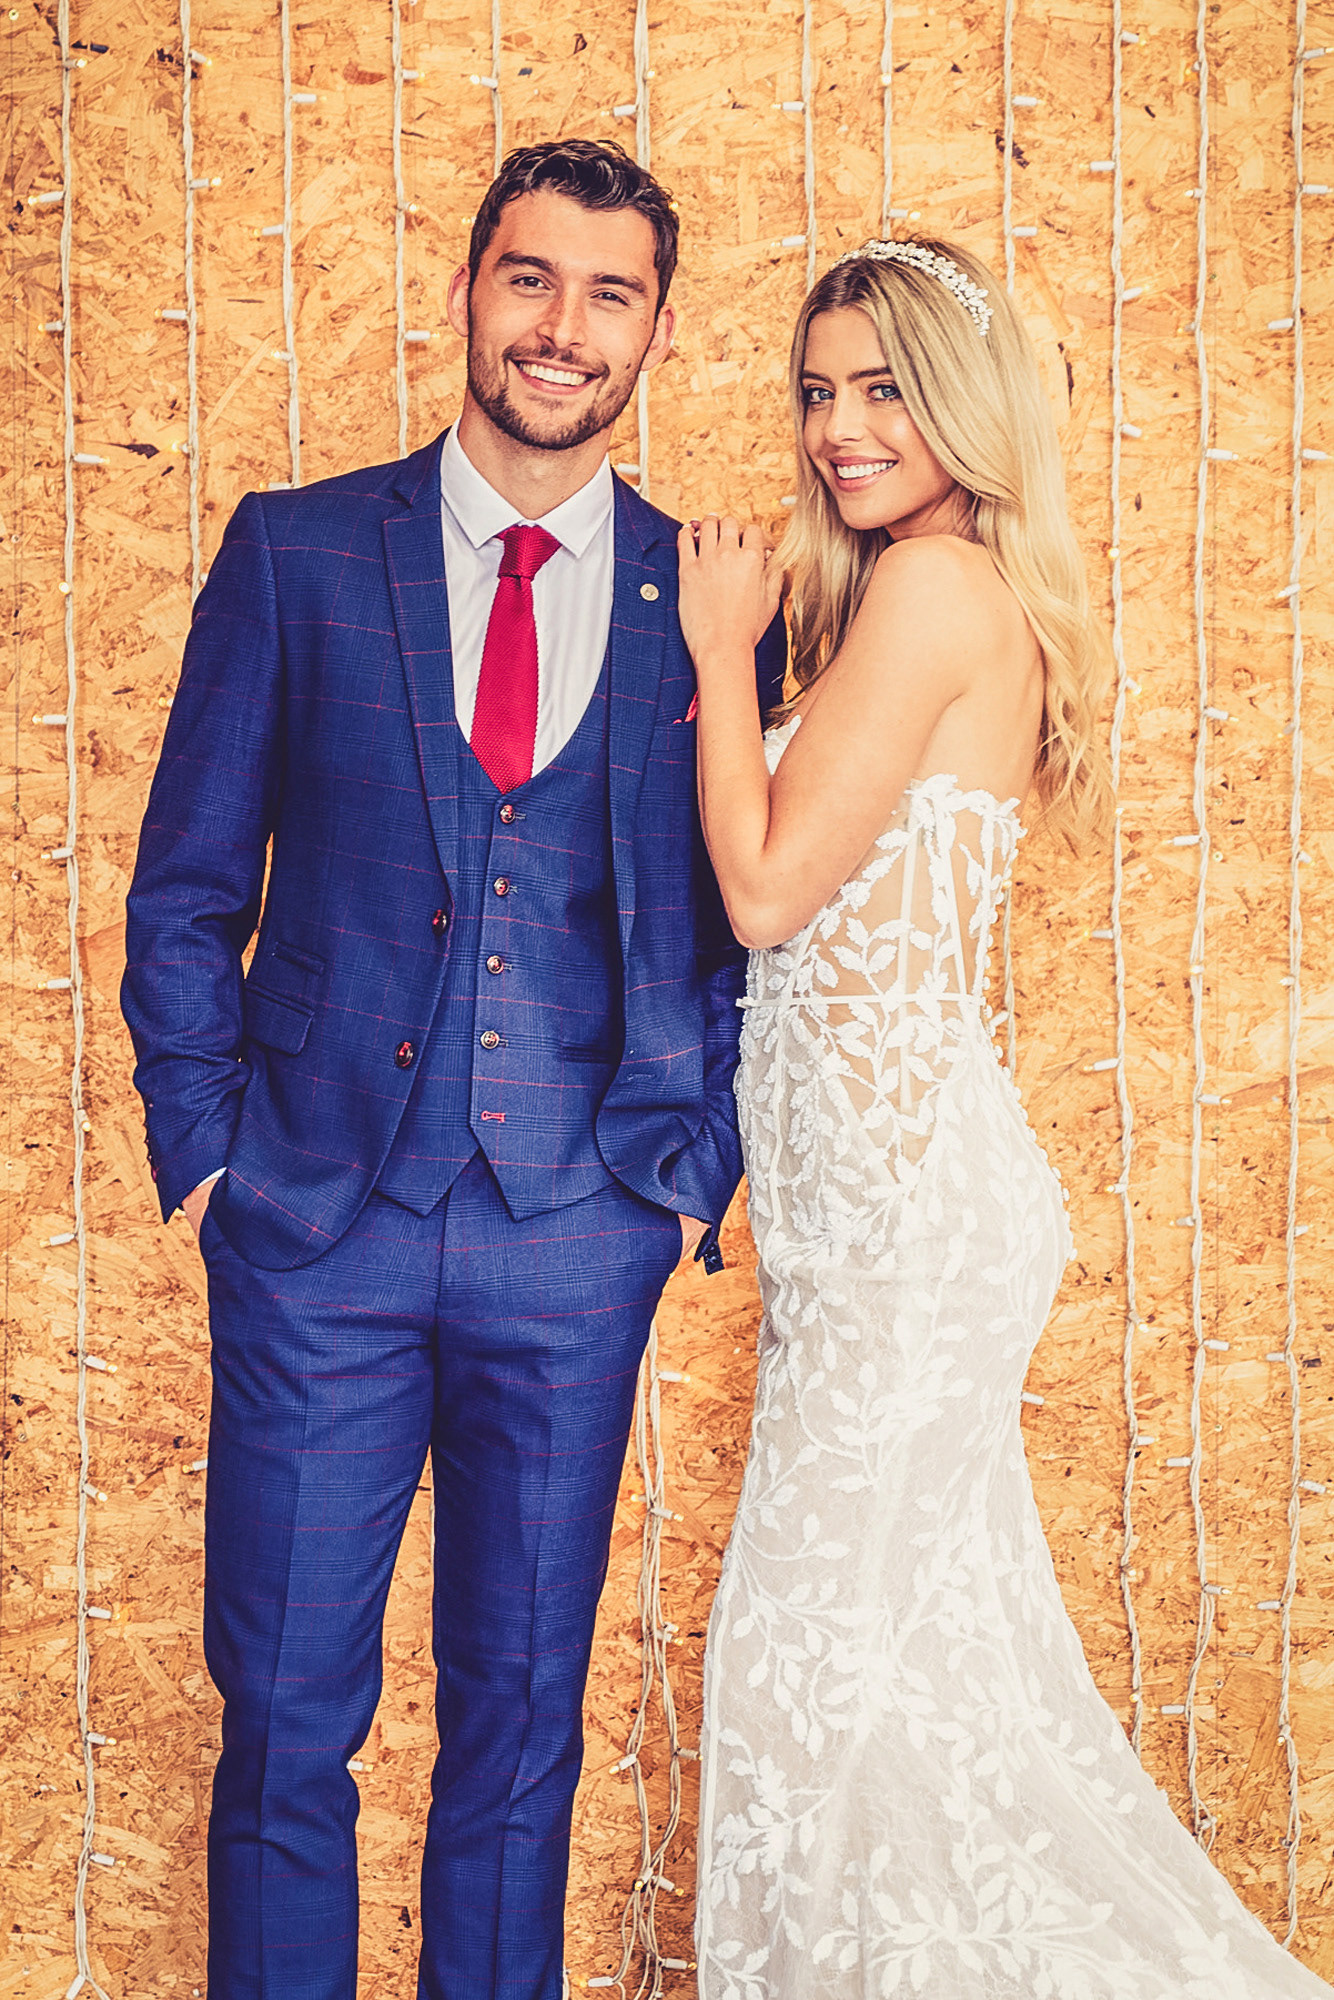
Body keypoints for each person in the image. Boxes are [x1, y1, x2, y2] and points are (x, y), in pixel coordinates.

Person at [122, 138, 783, 2000]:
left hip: (574, 1240)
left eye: (609, 293)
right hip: (312, 1230)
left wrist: (674, 1182)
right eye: (529, 278)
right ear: (465, 290)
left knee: (517, 1738)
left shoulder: (705, 600)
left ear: (657, 331)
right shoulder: (296, 551)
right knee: (282, 1730)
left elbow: (747, 927)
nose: (561, 327)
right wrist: (212, 1159)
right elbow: (184, 893)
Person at [677, 239, 1332, 1996]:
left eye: (882, 389)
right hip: (882, 1221)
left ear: (961, 408)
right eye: (817, 392)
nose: (838, 428)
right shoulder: (931, 591)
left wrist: (721, 651)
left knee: (814, 1667)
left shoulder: (931, 588)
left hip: (904, 1224)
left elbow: (763, 892)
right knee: (907, 1673)